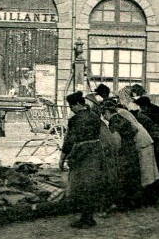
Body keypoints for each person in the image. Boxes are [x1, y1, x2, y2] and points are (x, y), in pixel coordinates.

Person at [59, 91, 103, 229]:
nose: (71, 109)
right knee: (91, 184)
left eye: (72, 106)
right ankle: (88, 216)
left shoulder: (75, 120)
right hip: (95, 151)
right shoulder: (95, 116)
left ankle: (86, 218)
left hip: (82, 153)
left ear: (78, 104)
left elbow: (69, 141)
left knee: (81, 185)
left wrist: (62, 158)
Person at [100, 100, 144, 210]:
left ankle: (124, 204)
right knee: (133, 176)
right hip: (132, 150)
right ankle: (136, 202)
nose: (104, 117)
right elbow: (134, 130)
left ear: (107, 112)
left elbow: (116, 140)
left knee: (123, 177)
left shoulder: (113, 122)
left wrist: (113, 153)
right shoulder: (123, 118)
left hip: (124, 153)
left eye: (104, 114)